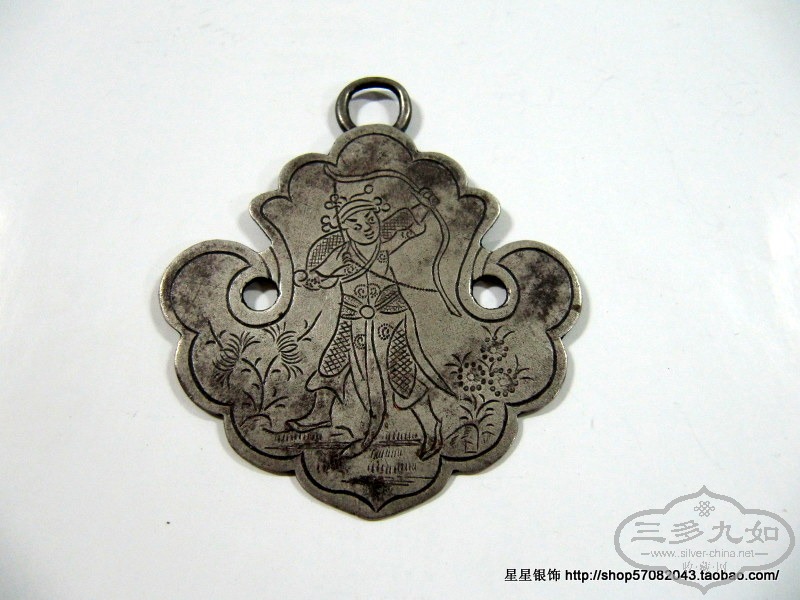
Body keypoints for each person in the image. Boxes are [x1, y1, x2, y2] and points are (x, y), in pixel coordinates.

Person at [288, 175, 451, 459]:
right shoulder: (339, 255)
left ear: (378, 220)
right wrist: (318, 274)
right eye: (356, 224)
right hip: (352, 317)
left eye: (370, 221)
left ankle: (431, 425)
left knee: (401, 373)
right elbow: (318, 280)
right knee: (332, 362)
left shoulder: (384, 246)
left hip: (391, 317)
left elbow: (410, 228)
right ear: (345, 229)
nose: (365, 228)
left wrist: (424, 207)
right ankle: (321, 413)